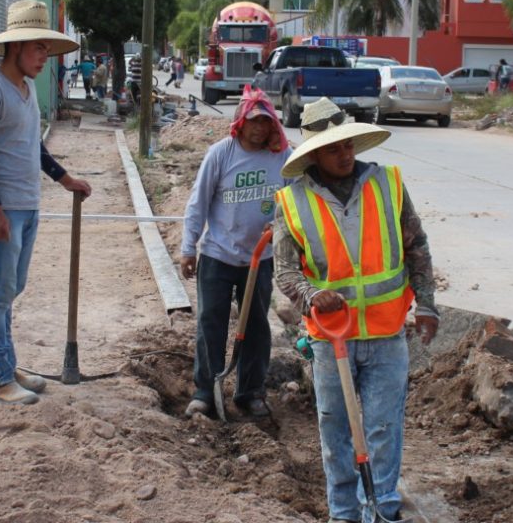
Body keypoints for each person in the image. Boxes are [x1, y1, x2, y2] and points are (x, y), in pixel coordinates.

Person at [271, 98, 438, 523]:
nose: (344, 155)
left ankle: (380, 507)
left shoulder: (388, 185)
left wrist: (428, 304)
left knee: (383, 428)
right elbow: (286, 270)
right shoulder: (292, 202)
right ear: (314, 154)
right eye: (332, 149)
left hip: (385, 334)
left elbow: (416, 248)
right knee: (336, 430)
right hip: (332, 339)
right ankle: (343, 512)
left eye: (347, 146)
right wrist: (311, 295)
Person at [0, 0, 93, 405]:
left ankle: (8, 362)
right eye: (38, 48)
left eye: (46, 49)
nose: (44, 57)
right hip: (2, 207)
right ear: (16, 47)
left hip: (28, 204)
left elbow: (31, 148)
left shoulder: (27, 88)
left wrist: (64, 178)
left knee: (12, 287)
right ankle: (0, 378)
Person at [180, 87, 292, 419]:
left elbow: (296, 202)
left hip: (261, 258)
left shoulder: (282, 157)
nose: (260, 128)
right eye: (254, 121)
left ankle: (250, 392)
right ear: (240, 122)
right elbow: (198, 202)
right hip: (218, 255)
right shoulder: (221, 154)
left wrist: (283, 229)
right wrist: (188, 248)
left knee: (257, 325)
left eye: (266, 122)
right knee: (210, 323)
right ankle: (205, 391)